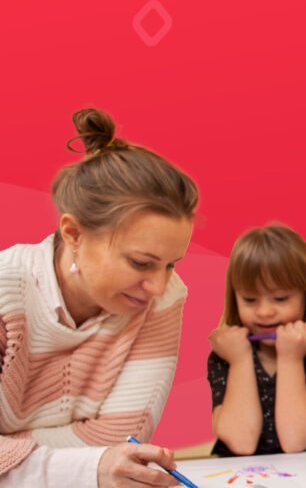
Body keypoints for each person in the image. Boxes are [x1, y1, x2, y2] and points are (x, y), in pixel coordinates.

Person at [0, 108, 199, 487]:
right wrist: (84, 466)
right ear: (74, 233)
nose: (157, 286)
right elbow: (102, 458)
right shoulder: (4, 292)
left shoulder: (163, 299)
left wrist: (10, 453)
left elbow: (119, 440)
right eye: (141, 262)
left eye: (171, 264)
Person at [207, 223, 306, 455]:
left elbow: (295, 441)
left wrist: (291, 358)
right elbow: (241, 443)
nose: (264, 312)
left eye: (280, 298)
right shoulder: (228, 353)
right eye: (250, 300)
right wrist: (240, 360)